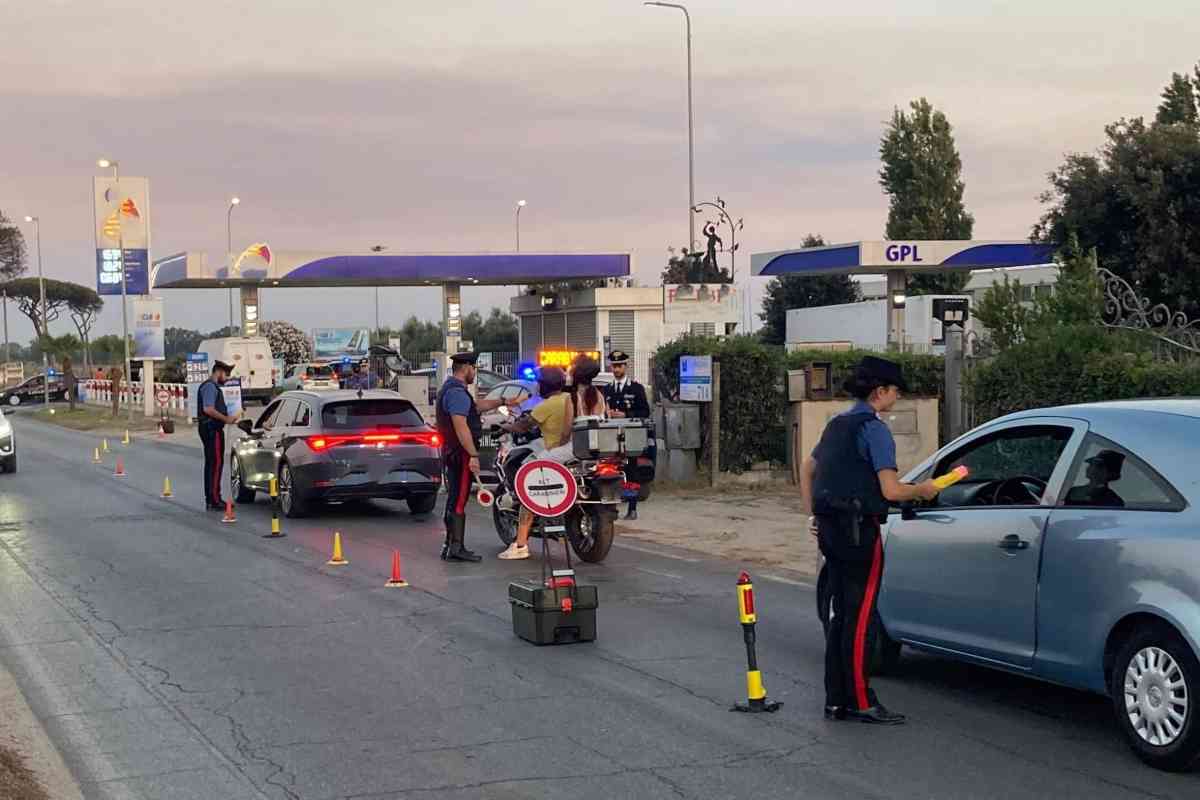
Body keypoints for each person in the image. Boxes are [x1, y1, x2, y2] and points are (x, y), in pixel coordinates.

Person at [801, 356, 940, 725]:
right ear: (881, 391)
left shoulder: (837, 424)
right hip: (860, 531)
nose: (897, 397)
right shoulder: (874, 429)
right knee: (861, 619)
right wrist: (923, 490)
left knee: (840, 617)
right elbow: (891, 490)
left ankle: (836, 700)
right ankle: (862, 701)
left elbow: (808, 468)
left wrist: (811, 515)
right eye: (895, 390)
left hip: (829, 529)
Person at [436, 352, 518, 562]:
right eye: (475, 368)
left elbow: (476, 407)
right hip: (461, 454)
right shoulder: (456, 393)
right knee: (460, 499)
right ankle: (456, 547)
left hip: (453, 451)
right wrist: (473, 454)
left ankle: (450, 545)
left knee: (455, 497)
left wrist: (503, 400)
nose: (476, 373)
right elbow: (461, 426)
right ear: (467, 368)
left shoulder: (453, 389)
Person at [497, 367, 573, 560]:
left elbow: (524, 425)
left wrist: (504, 426)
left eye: (540, 382)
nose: (538, 386)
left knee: (528, 488)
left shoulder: (547, 405)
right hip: (573, 452)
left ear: (545, 385)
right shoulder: (569, 399)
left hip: (554, 453)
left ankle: (521, 544)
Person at [602, 350, 651, 520]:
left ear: (625, 366)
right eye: (613, 366)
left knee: (631, 471)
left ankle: (632, 507)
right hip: (611, 436)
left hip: (630, 435)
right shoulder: (607, 389)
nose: (616, 370)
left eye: (619, 366)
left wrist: (626, 415)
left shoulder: (636, 388)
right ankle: (610, 507)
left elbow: (645, 411)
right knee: (609, 470)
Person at [198, 361, 241, 511]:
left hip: (210, 428)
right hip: (212, 429)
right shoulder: (210, 386)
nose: (228, 378)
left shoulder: (211, 386)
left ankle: (211, 498)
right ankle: (215, 499)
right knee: (216, 464)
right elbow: (208, 409)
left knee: (212, 464)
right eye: (226, 374)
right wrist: (226, 419)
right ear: (219, 372)